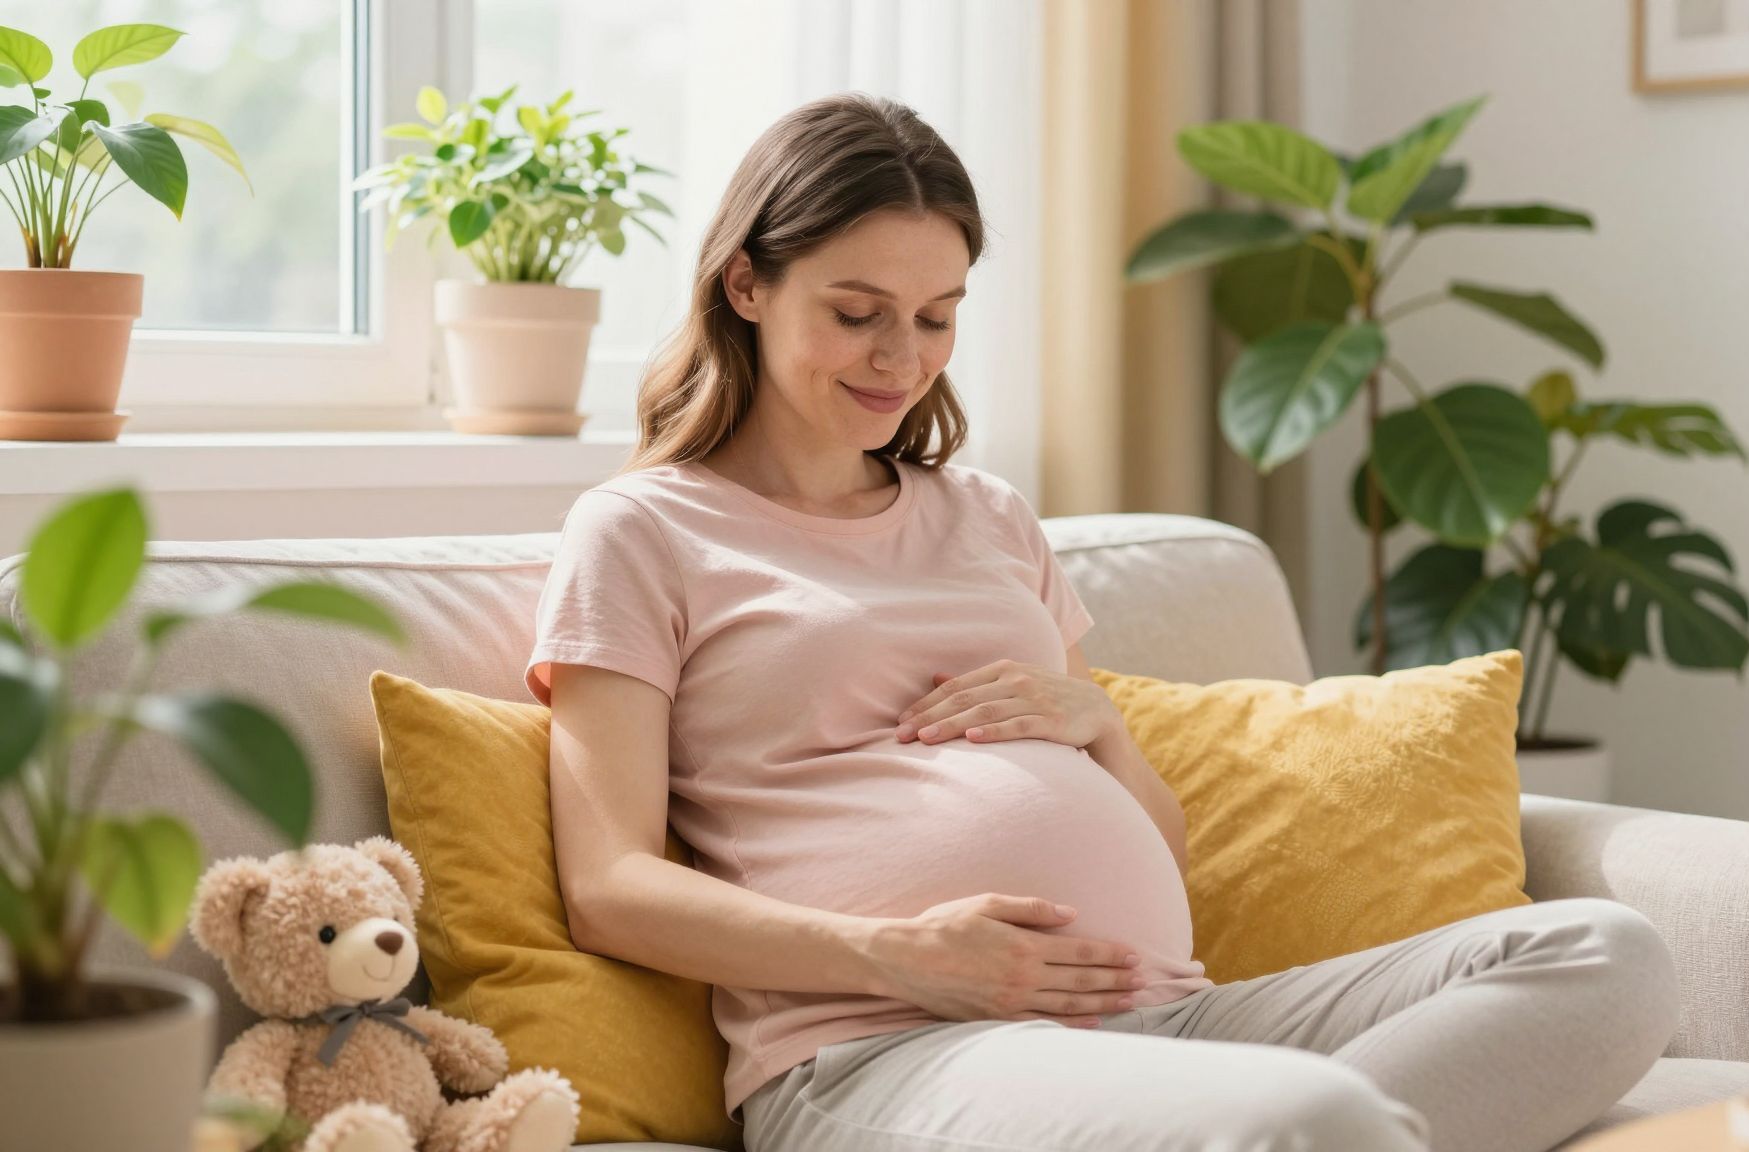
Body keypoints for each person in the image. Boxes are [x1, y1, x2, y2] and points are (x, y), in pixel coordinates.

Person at [528, 92, 1680, 1152]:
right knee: (1315, 1117)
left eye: (936, 317)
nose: (902, 358)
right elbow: (609, 885)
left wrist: (1101, 727)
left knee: (1604, 952)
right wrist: (901, 956)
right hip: (889, 1047)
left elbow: (1159, 845)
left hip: (1168, 1022)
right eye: (856, 312)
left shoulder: (988, 517)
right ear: (745, 284)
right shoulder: (642, 530)